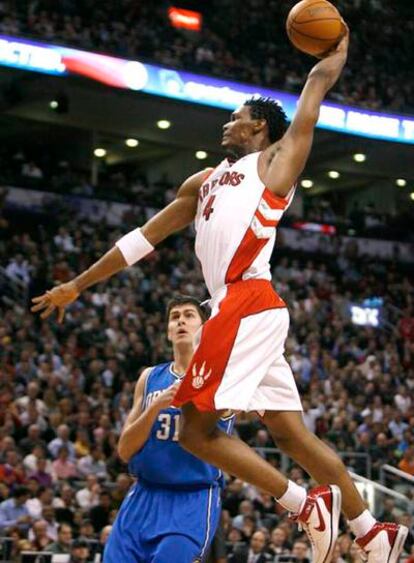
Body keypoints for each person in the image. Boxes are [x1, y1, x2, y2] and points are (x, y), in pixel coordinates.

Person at [32, 29, 407, 562]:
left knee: (194, 432)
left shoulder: (275, 162)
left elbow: (312, 96)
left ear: (257, 126)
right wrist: (78, 283)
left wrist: (336, 52)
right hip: (241, 309)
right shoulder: (203, 182)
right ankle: (372, 530)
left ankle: (302, 504)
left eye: (235, 116)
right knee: (291, 436)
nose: (226, 122)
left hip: (245, 302)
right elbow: (143, 238)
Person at [103, 295, 235, 562]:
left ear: (204, 328)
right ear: (167, 331)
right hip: (143, 494)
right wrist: (156, 406)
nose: (181, 321)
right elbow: (125, 449)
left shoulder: (222, 378)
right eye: (175, 317)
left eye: (188, 315)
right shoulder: (149, 377)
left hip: (192, 498)